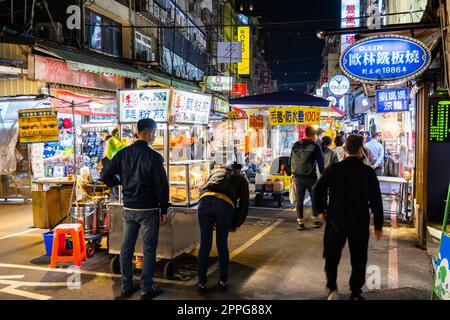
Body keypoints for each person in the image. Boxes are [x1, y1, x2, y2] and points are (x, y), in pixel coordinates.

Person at [101, 118, 169, 300]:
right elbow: (162, 186)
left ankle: (127, 286)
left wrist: (118, 182)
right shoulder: (154, 157)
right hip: (148, 209)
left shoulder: (123, 153)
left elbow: (105, 174)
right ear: (148, 132)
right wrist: (164, 209)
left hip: (129, 207)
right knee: (148, 249)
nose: (155, 136)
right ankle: (146, 288)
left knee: (126, 247)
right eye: (154, 133)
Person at [312, 135, 384, 300]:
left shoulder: (334, 169)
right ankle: (355, 292)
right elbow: (376, 200)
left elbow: (317, 190)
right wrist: (378, 225)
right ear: (360, 150)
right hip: (359, 221)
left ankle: (332, 290)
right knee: (358, 258)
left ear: (344, 150)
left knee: (332, 256)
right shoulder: (368, 172)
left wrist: (320, 210)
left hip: (336, 220)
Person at [197, 162, 249, 293]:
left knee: (205, 245)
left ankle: (201, 284)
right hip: (224, 206)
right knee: (221, 245)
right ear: (239, 170)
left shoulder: (216, 172)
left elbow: (202, 189)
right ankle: (222, 282)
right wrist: (236, 223)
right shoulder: (242, 179)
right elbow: (244, 206)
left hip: (204, 202)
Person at [290, 126, 325, 231]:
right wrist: (324, 176)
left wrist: (291, 173)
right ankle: (315, 220)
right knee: (315, 198)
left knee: (299, 200)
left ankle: (300, 223)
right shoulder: (315, 146)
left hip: (297, 177)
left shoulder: (295, 145)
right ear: (313, 135)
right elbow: (321, 164)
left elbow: (289, 160)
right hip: (311, 177)